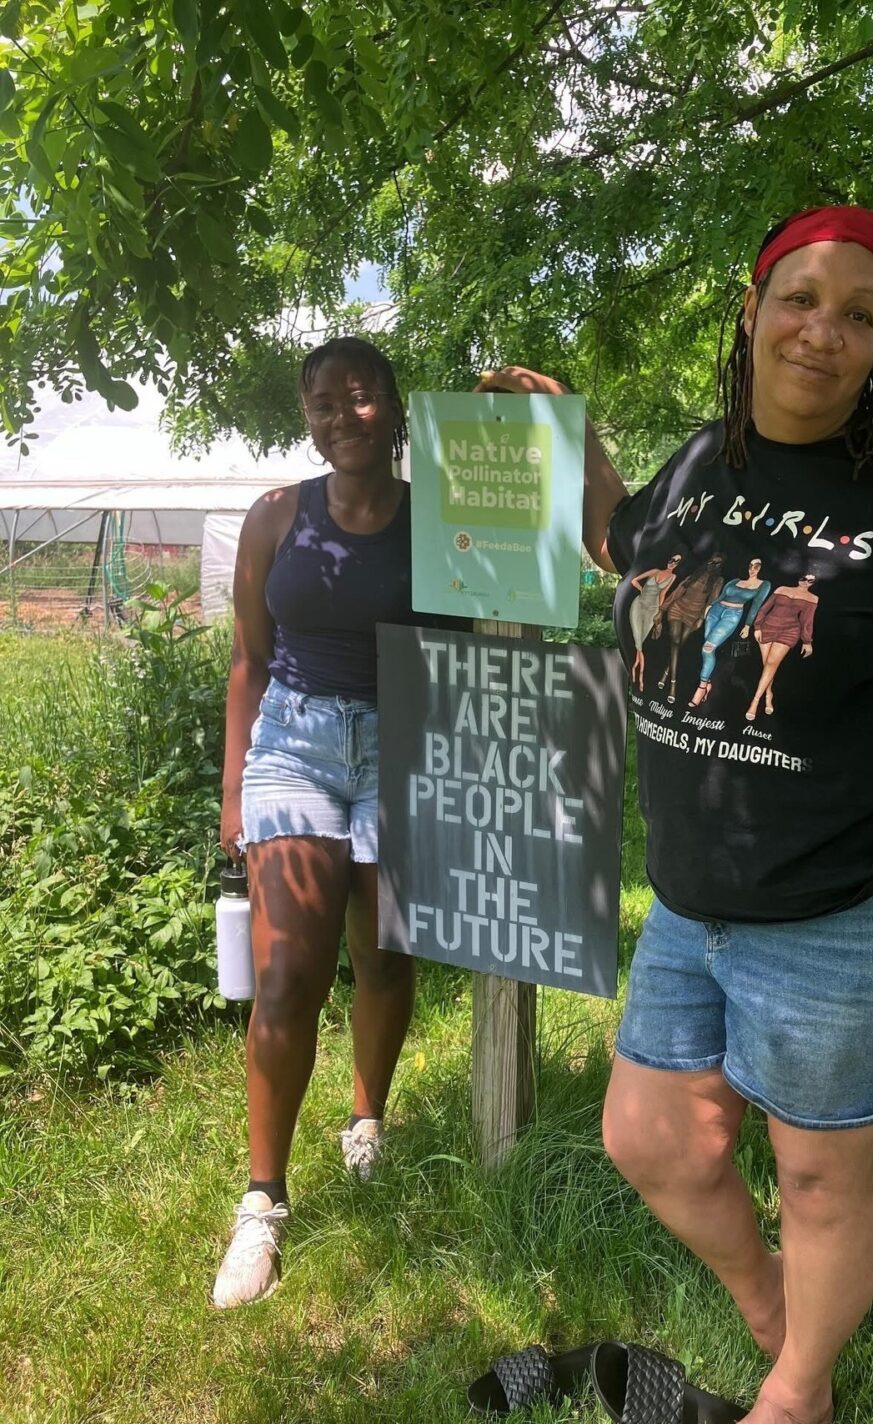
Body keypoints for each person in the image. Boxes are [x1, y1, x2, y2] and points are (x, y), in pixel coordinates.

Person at [478, 205, 873, 1424]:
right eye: (801, 298)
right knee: (653, 1137)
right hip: (701, 886)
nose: (825, 331)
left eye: (861, 314)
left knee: (818, 1166)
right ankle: (774, 1306)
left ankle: (797, 1389)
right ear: (751, 310)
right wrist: (577, 436)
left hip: (861, 887)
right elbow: (616, 540)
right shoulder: (702, 464)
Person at [214, 336, 447, 1309]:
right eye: (322, 400)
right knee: (285, 975)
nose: (341, 414)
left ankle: (367, 1117)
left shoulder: (440, 523)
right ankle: (263, 1201)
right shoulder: (275, 518)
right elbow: (247, 660)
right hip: (296, 746)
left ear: (395, 412)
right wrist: (235, 790)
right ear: (305, 415)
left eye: (361, 397)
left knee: (385, 956)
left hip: (402, 744)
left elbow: (471, 648)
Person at [688, 557, 772, 708]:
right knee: (707, 649)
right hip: (715, 611)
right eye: (750, 565)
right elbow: (720, 597)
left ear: (762, 568)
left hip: (732, 615)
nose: (752, 569)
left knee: (707, 649)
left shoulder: (763, 585)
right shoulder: (734, 581)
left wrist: (747, 625)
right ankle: (707, 683)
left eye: (757, 566)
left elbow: (756, 605)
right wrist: (710, 607)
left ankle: (701, 687)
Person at [745, 572, 819, 720]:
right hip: (768, 627)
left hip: (790, 631)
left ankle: (755, 701)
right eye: (804, 578)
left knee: (772, 664)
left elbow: (807, 621)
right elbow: (764, 608)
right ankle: (768, 694)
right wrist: (757, 626)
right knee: (767, 664)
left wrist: (807, 641)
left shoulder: (813, 598)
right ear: (798, 577)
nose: (806, 582)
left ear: (814, 584)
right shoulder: (782, 589)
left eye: (810, 581)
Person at [656, 555, 725, 704]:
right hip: (677, 608)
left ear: (720, 567)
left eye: (717, 563)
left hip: (694, 615)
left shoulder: (717, 581)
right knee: (675, 640)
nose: (712, 564)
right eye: (711, 561)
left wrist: (701, 619)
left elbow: (711, 602)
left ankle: (666, 672)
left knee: (680, 645)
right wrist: (662, 610)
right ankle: (673, 685)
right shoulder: (694, 575)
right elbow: (677, 592)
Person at [628, 553, 682, 689]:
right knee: (637, 639)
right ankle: (638, 676)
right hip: (639, 604)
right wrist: (642, 590)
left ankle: (639, 676)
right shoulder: (655, 571)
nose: (672, 563)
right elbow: (634, 580)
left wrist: (659, 612)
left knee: (641, 641)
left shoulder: (673, 577)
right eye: (672, 559)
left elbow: (663, 594)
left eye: (676, 562)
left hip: (652, 609)